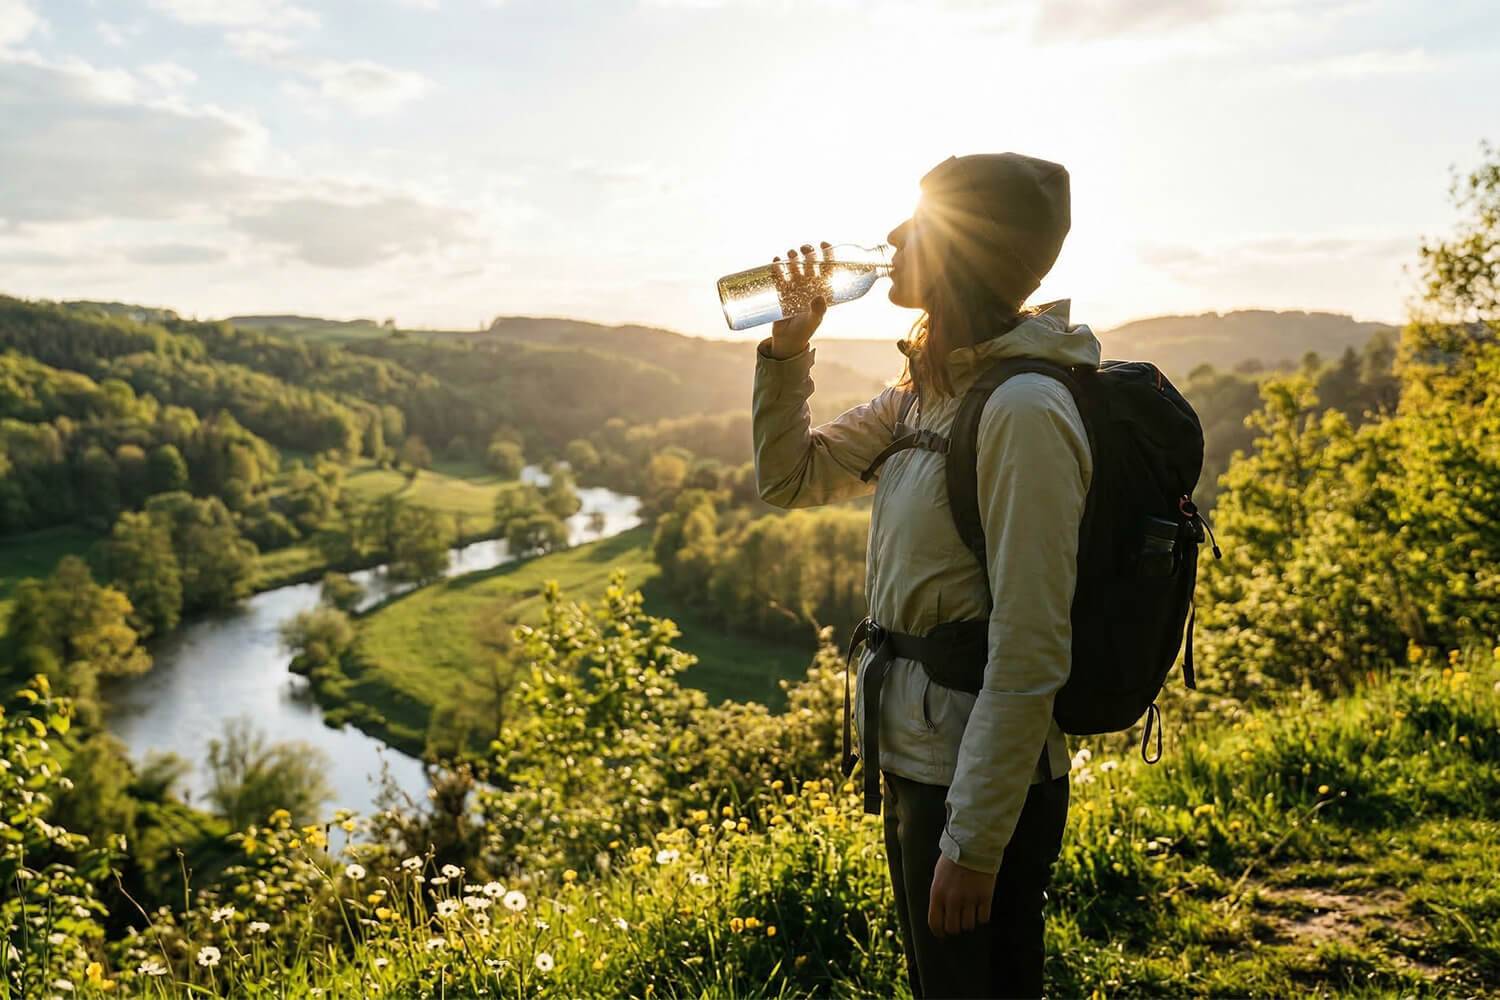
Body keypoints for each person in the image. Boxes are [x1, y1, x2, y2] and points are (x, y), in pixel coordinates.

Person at [750, 152, 1099, 999]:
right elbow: (789, 478)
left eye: (922, 225)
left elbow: (1029, 647)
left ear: (967, 254)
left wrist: (974, 843)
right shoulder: (924, 390)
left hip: (976, 784)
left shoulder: (1021, 410)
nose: (896, 239)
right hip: (919, 760)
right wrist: (790, 347)